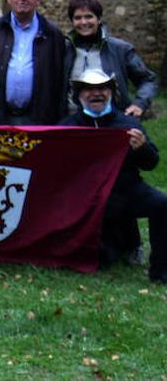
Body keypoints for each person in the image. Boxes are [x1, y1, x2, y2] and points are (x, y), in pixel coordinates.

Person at [57, 70, 166, 284]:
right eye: (89, 89)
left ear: (111, 93)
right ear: (79, 95)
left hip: (126, 189)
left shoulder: (128, 124)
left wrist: (142, 148)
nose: (96, 94)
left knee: (162, 204)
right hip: (88, 198)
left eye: (102, 89)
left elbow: (152, 163)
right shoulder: (68, 127)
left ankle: (161, 271)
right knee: (102, 258)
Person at [62, 0, 157, 117]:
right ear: (72, 21)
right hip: (73, 122)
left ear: (99, 19)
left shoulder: (120, 49)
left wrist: (140, 103)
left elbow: (147, 79)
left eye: (89, 17)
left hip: (113, 122)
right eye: (78, 18)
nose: (83, 22)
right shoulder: (63, 50)